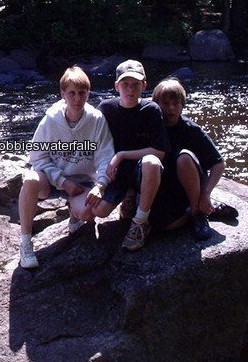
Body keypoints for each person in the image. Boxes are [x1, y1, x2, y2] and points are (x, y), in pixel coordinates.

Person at [18, 66, 114, 269]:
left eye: (82, 93)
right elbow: (37, 157)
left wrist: (101, 185)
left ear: (88, 93)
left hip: (82, 181)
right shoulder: (51, 120)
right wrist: (62, 181)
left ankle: (74, 214)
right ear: (63, 94)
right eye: (72, 93)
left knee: (88, 213)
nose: (77, 99)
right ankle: (25, 242)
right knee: (30, 180)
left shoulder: (96, 119)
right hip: (52, 180)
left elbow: (106, 157)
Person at [91, 59, 170, 252]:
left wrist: (122, 155)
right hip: (115, 174)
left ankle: (140, 222)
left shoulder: (151, 110)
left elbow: (160, 151)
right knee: (99, 211)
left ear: (144, 85)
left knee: (151, 162)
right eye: (125, 84)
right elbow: (94, 144)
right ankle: (129, 198)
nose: (130, 90)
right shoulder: (106, 109)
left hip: (141, 171)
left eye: (135, 84)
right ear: (117, 86)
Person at [150, 77, 232, 240]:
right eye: (165, 104)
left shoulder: (191, 130)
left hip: (191, 179)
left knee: (184, 157)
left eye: (176, 103)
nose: (171, 108)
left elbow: (219, 164)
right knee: (162, 225)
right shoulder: (152, 127)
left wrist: (206, 193)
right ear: (156, 105)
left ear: (183, 105)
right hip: (169, 186)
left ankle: (198, 214)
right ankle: (209, 209)